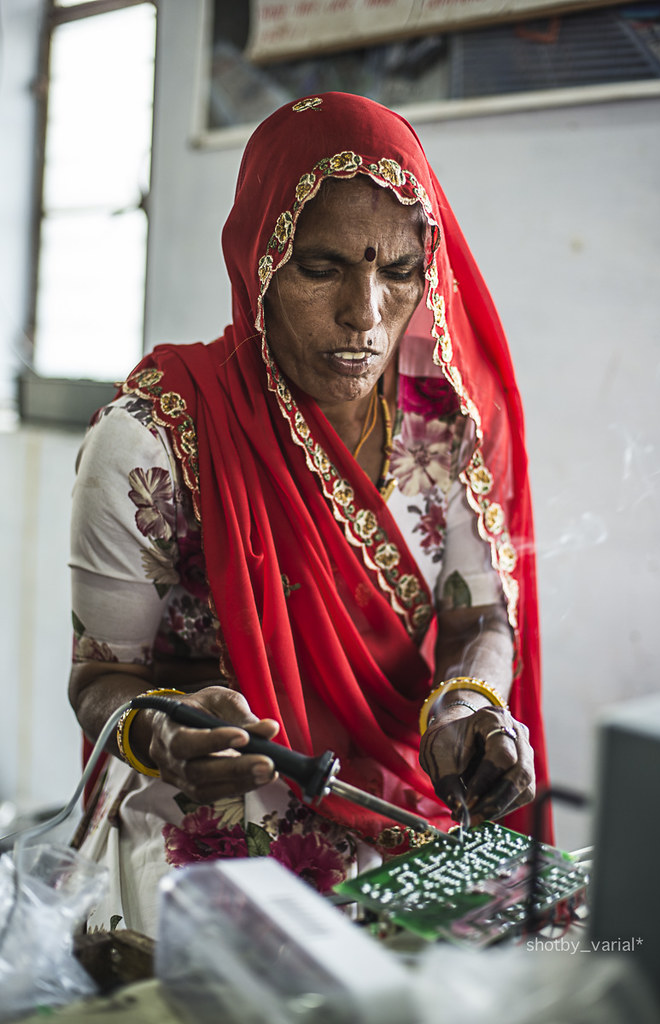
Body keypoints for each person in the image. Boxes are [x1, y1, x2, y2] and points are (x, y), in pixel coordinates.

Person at [69, 92, 551, 937]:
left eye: (398, 272)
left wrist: (471, 704)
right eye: (322, 268)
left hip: (400, 819)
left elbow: (478, 611)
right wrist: (164, 734)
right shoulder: (152, 440)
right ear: (258, 260)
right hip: (213, 843)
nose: (365, 314)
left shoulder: (444, 423)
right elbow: (100, 679)